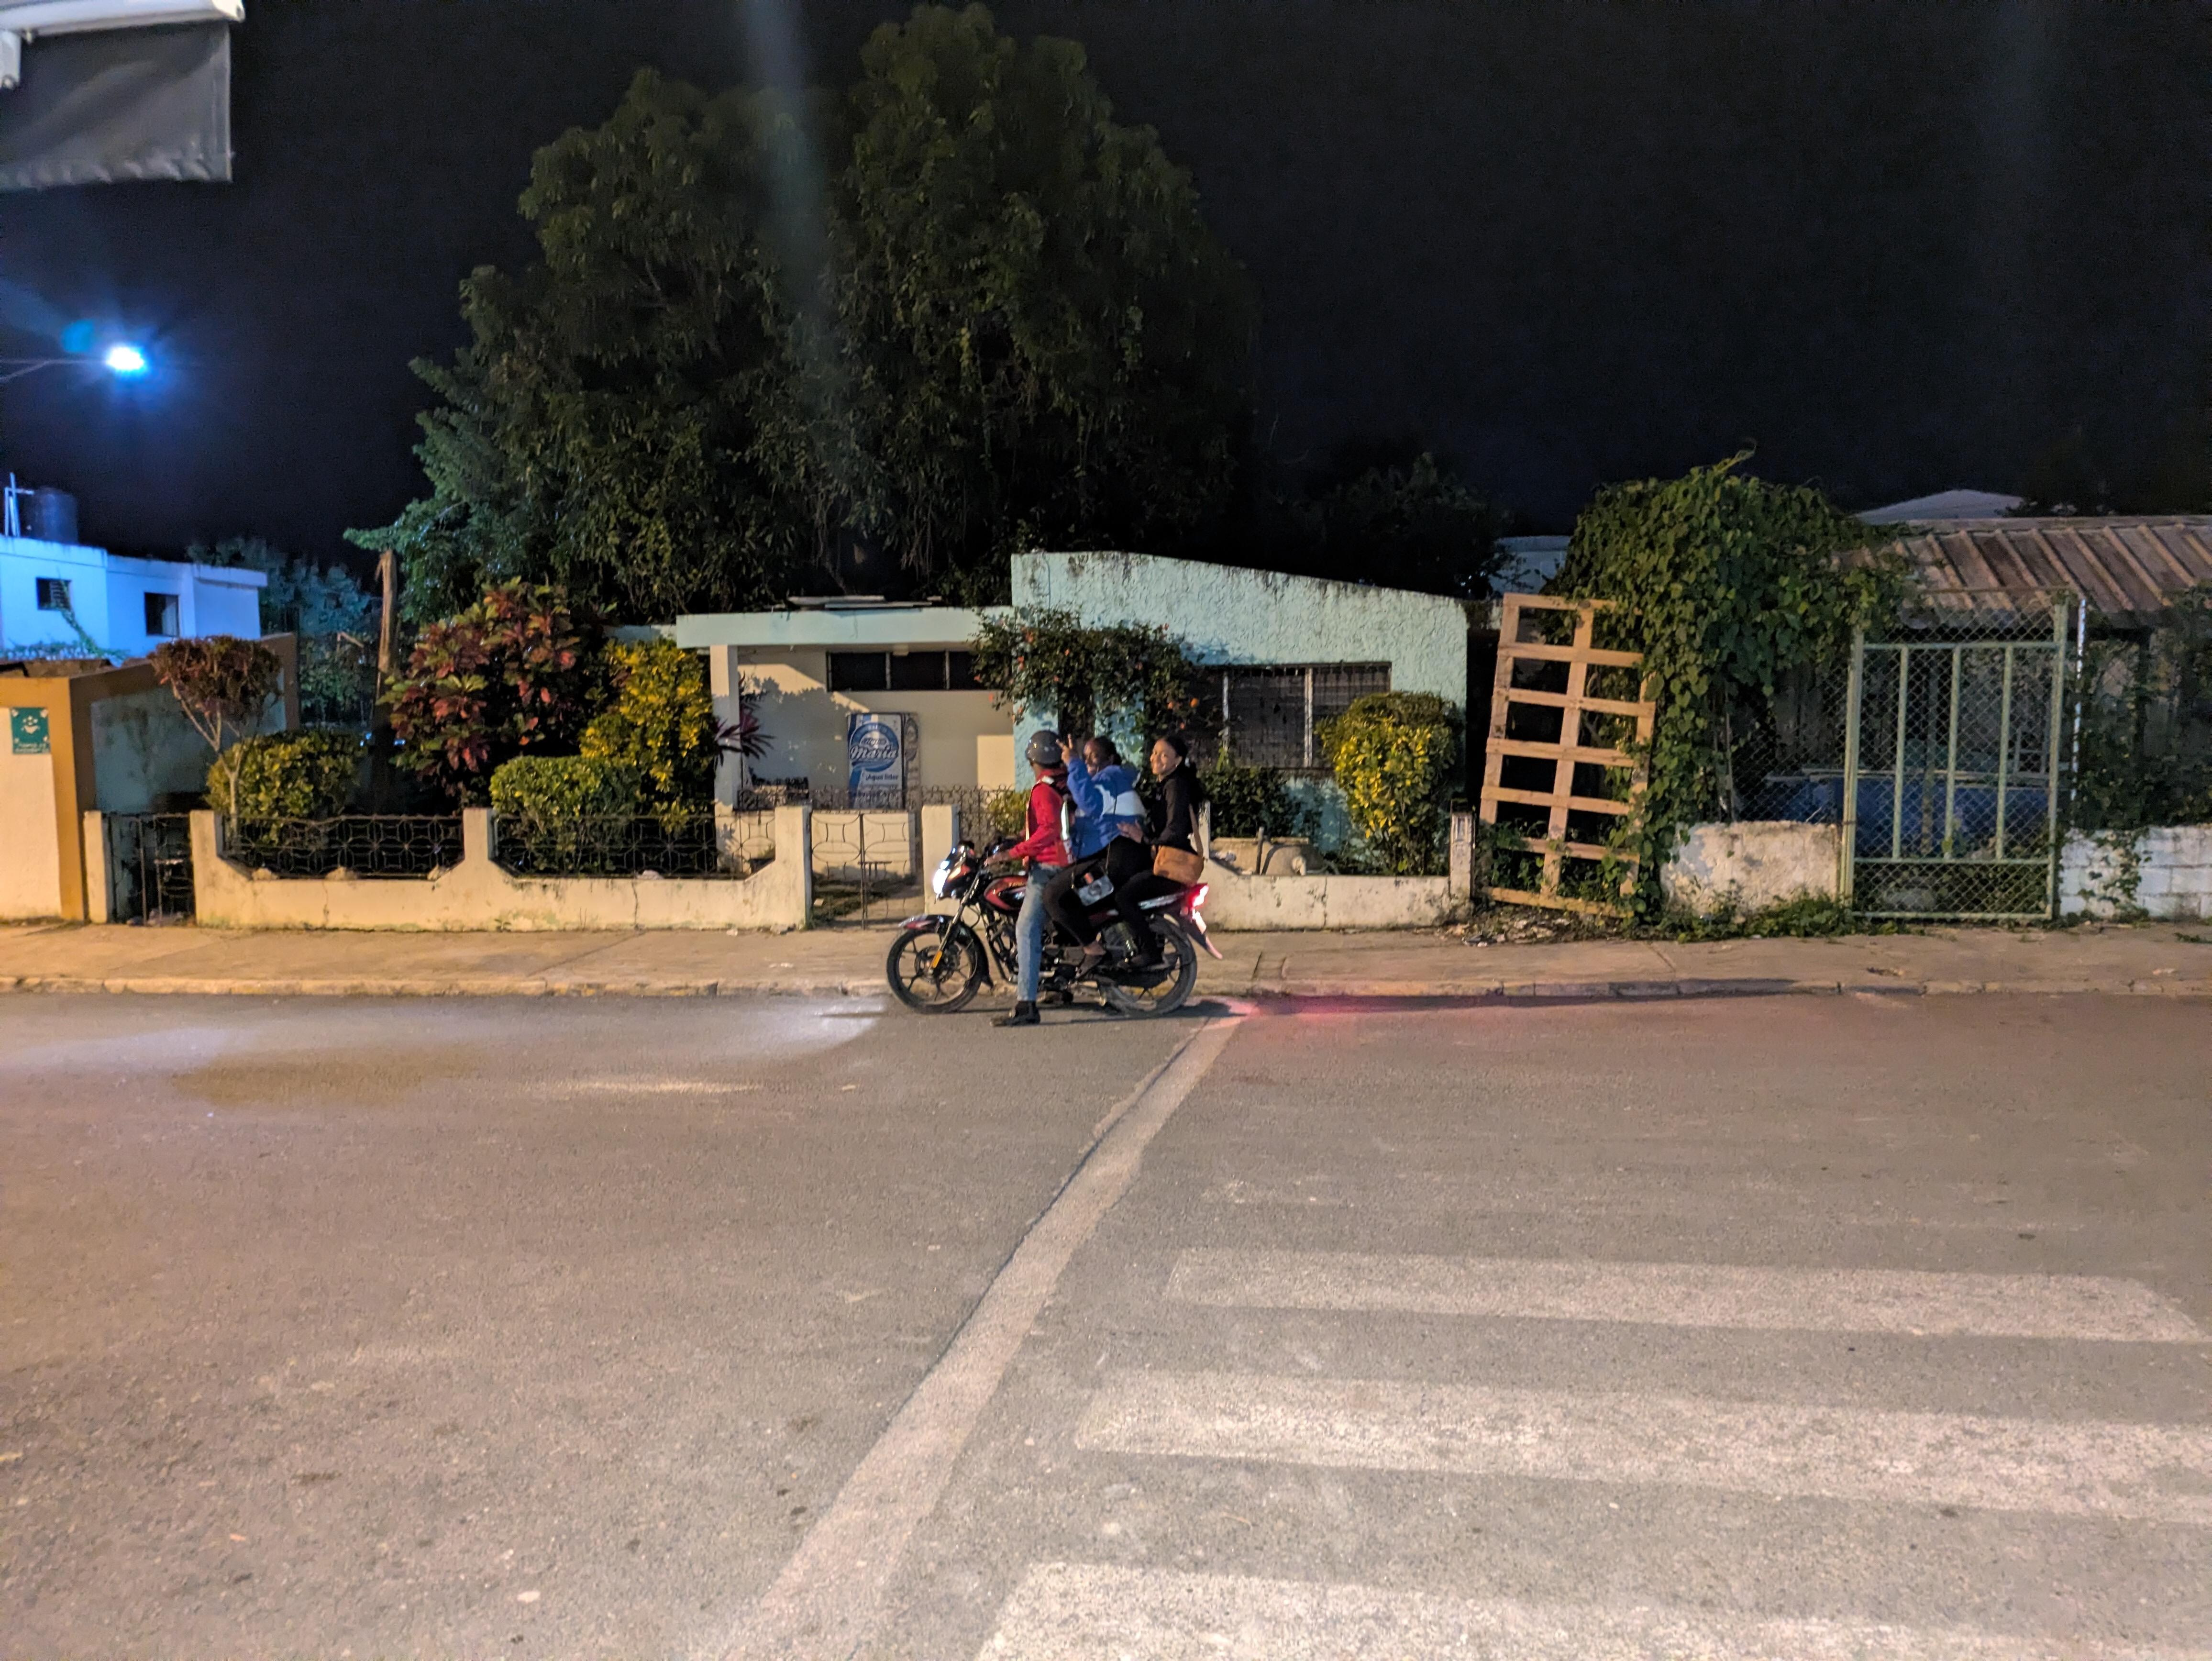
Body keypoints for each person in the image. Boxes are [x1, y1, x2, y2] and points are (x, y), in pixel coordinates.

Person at [1041, 734, 1149, 970]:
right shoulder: (1100, 783)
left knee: (1055, 896)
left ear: (1110, 759)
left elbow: (1092, 804)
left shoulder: (1111, 776)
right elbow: (1086, 825)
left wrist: (1073, 763)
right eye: (1085, 757)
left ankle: (1094, 950)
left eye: (1094, 756)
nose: (1088, 761)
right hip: (1108, 854)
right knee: (1069, 898)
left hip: (1117, 857)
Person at [992, 730, 1070, 1029]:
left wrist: (1012, 853)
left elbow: (1049, 831)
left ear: (1033, 759)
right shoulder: (1064, 782)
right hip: (1070, 863)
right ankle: (1059, 986)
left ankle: (1026, 1004)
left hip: (1049, 866)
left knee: (1025, 929)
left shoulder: (1042, 790)